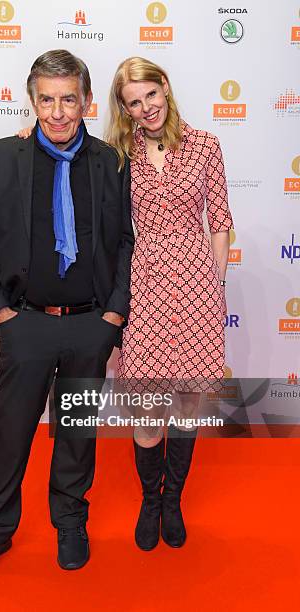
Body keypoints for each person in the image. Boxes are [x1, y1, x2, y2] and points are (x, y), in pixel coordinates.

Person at [0, 49, 134, 585]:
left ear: (85, 101)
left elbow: (125, 243)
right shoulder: (0, 157)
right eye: (47, 100)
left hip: (88, 325)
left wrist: (112, 315)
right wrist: (4, 314)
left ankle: (70, 522)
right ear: (32, 100)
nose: (57, 112)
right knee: (10, 433)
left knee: (76, 431)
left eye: (68, 100)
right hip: (26, 322)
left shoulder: (110, 161)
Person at [105, 57, 233, 551]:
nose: (146, 108)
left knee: (185, 404)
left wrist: (214, 287)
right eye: (133, 102)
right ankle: (149, 501)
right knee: (145, 407)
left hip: (197, 286)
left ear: (165, 88)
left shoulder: (205, 145)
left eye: (150, 95)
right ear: (125, 108)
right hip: (146, 288)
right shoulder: (120, 154)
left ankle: (173, 499)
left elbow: (220, 220)